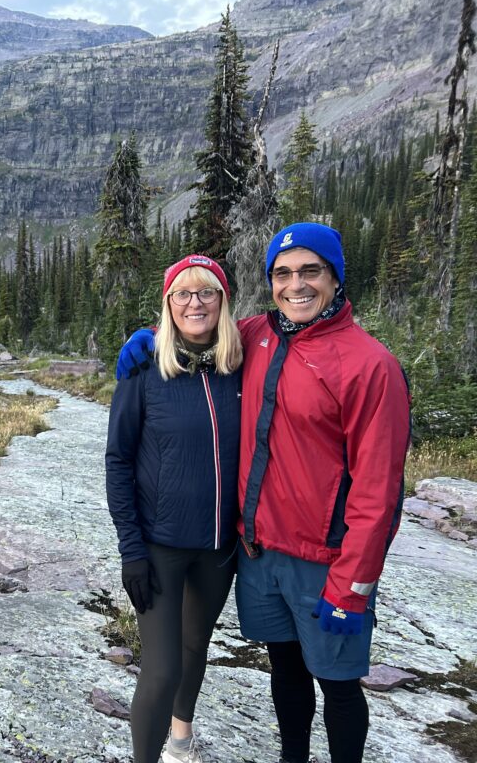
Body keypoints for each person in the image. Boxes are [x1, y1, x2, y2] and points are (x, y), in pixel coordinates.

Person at [115, 223, 411, 763]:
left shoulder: (371, 365)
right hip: (260, 553)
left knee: (339, 686)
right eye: (283, 274)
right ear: (270, 282)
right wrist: (149, 338)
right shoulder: (259, 335)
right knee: (287, 673)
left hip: (326, 560)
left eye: (310, 271)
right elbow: (196, 323)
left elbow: (379, 492)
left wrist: (355, 586)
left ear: (336, 277)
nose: (296, 285)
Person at [105, 254, 242, 763]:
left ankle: (181, 744)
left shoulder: (240, 364)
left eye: (207, 292)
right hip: (158, 547)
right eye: (182, 293)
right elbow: (118, 460)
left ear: (223, 300)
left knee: (193, 650)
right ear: (167, 303)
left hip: (219, 548)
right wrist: (130, 550)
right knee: (161, 670)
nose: (195, 302)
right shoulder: (144, 367)